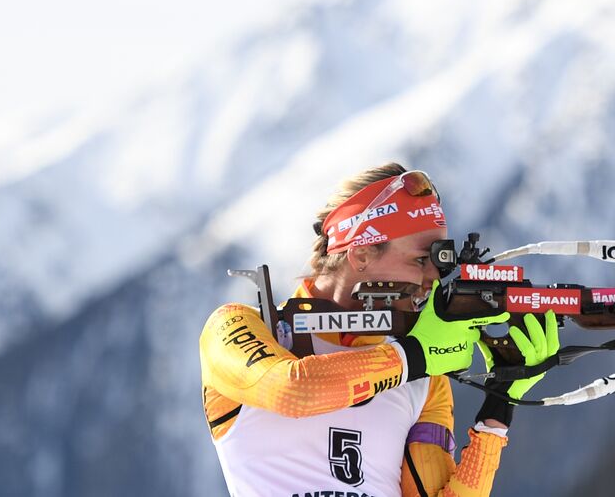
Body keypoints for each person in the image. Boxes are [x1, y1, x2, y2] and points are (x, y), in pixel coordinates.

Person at [199, 163, 559, 497]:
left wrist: (498, 408)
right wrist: (413, 356)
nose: (432, 279)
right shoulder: (238, 327)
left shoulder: (424, 377)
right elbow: (293, 391)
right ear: (361, 254)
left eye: (437, 263)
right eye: (420, 260)